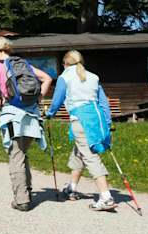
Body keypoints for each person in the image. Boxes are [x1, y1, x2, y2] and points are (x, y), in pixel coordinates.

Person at [0, 36, 54, 211]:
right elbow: (47, 79)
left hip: (12, 115)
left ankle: (21, 200)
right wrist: (38, 98)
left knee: (16, 156)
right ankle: (26, 192)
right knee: (22, 154)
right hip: (32, 116)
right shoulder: (25, 65)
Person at [46, 50, 116, 211]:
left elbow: (57, 100)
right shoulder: (93, 77)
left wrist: (49, 114)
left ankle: (106, 197)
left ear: (65, 64)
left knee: (90, 156)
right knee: (79, 153)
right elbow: (103, 103)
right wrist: (108, 124)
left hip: (80, 120)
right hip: (95, 119)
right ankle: (72, 188)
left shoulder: (65, 77)